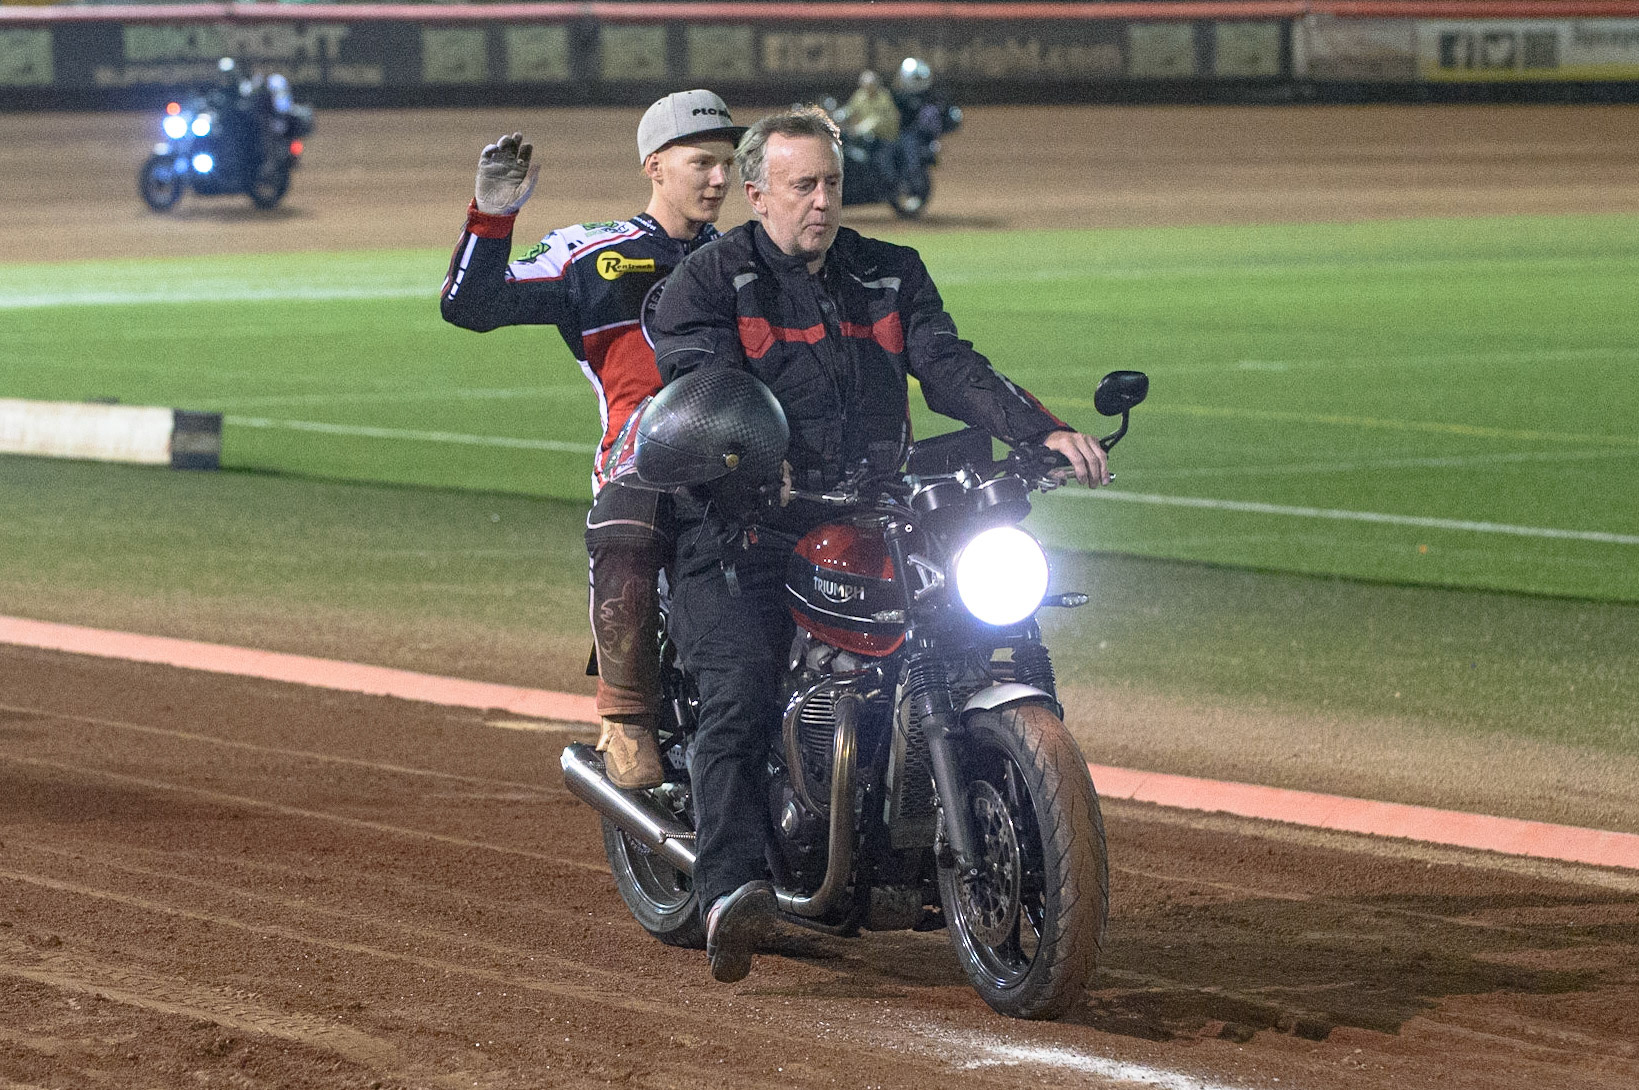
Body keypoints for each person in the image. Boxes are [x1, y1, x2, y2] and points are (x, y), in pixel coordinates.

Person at [645, 106, 1111, 983]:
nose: (820, 202)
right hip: (745, 521)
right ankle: (729, 886)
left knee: (1001, 639)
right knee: (739, 688)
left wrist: (1039, 435)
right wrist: (752, 465)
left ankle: (1021, 836)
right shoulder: (708, 281)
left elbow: (947, 363)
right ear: (756, 194)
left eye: (831, 185)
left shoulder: (886, 272)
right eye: (801, 187)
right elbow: (700, 386)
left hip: (877, 511)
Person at [440, 90, 745, 788]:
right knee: (631, 519)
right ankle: (627, 714)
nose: (718, 180)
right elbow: (470, 306)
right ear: (654, 166)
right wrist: (493, 215)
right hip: (644, 460)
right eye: (702, 163)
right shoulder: (587, 254)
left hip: (745, 455)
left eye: (727, 165)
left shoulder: (744, 258)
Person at [836, 69, 899, 143]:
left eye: (871, 85)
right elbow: (850, 108)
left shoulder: (883, 97)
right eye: (865, 85)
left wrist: (861, 128)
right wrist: (840, 114)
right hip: (866, 136)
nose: (868, 88)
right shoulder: (860, 95)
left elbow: (878, 119)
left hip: (884, 138)